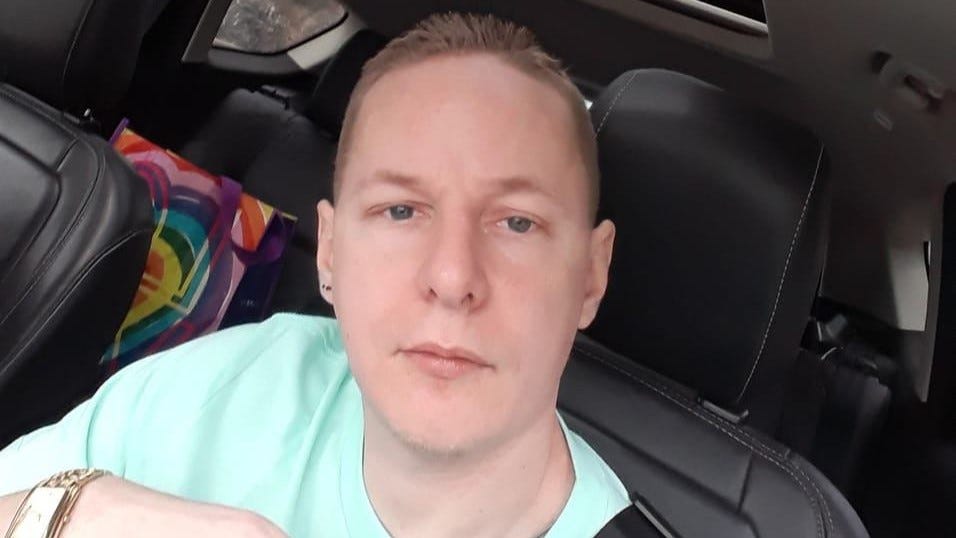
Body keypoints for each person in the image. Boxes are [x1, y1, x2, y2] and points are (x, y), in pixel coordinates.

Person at [0, 12, 623, 538]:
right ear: (329, 252)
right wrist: (79, 512)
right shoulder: (230, 387)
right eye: (401, 211)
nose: (453, 276)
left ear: (591, 275)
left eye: (517, 223)